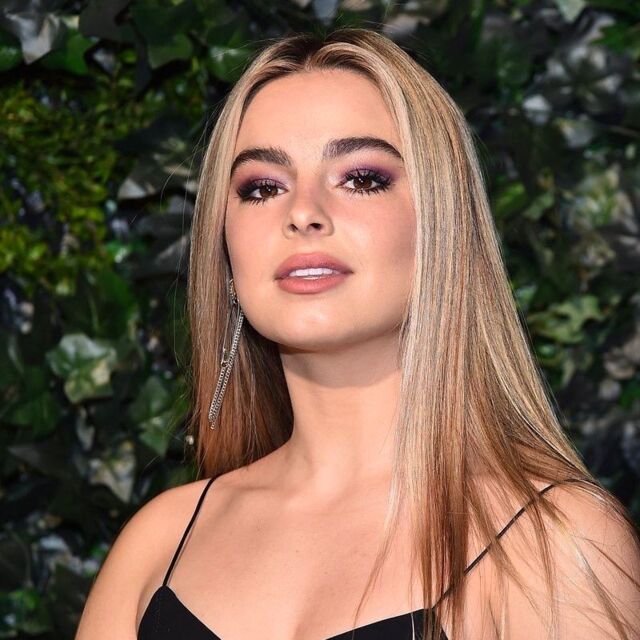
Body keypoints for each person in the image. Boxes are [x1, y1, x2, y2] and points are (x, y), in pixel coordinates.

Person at [75, 28, 640, 640]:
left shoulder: (554, 544)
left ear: (441, 226)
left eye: (362, 178)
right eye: (262, 188)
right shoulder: (157, 546)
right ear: (227, 253)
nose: (302, 212)